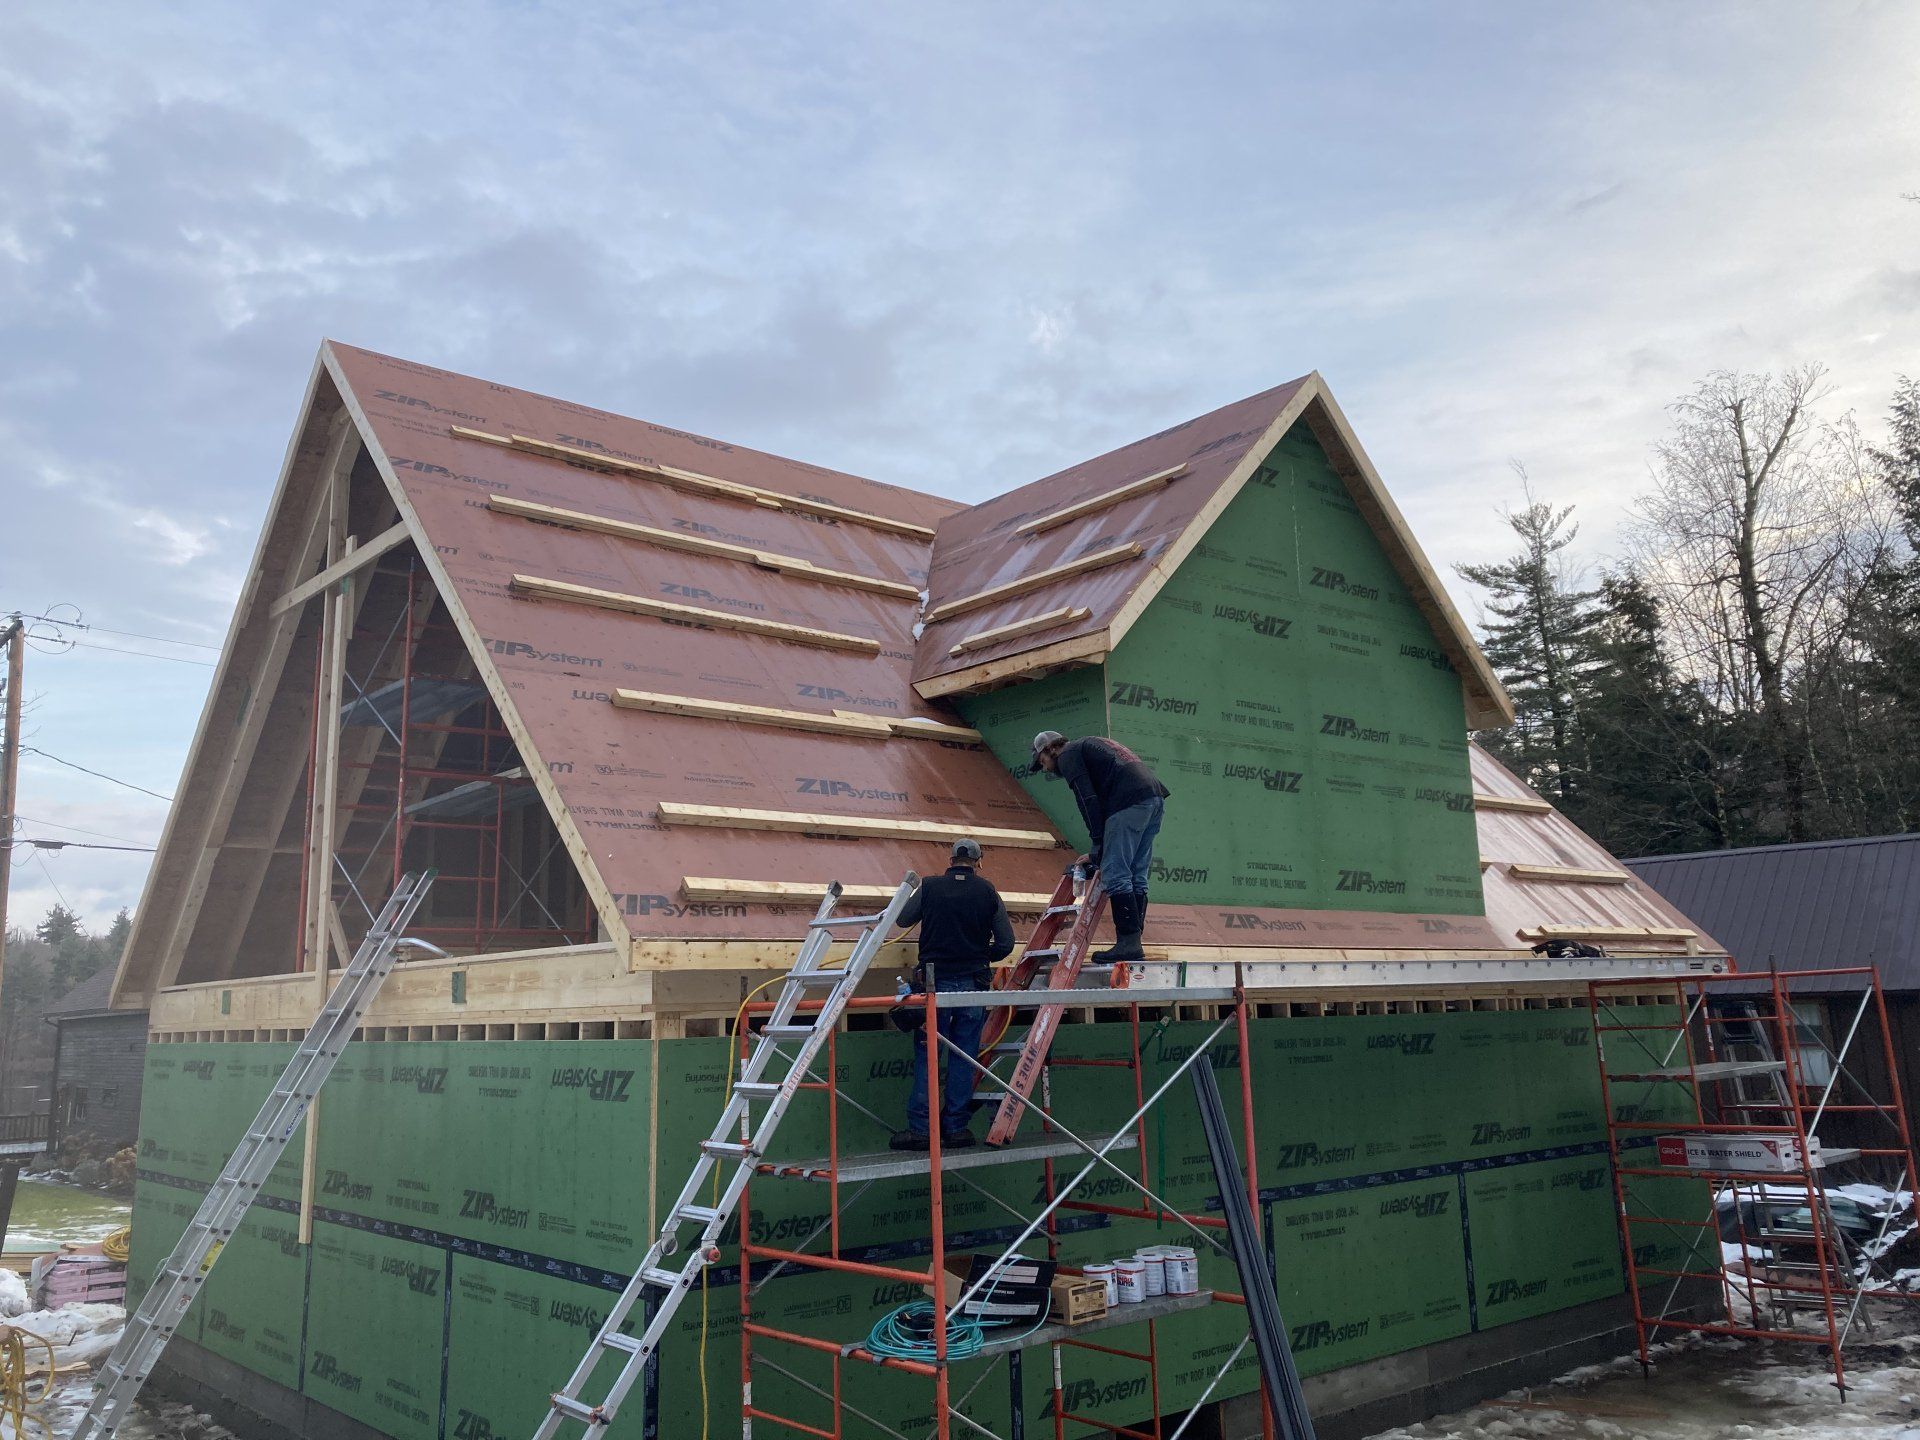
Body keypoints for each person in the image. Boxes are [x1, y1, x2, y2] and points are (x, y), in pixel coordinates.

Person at [890, 838, 1017, 1151]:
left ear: (951, 859)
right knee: (963, 1056)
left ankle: (921, 1130)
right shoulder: (987, 891)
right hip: (973, 985)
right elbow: (1006, 943)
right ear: (978, 861)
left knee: (928, 1056)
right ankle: (956, 1129)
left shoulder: (931, 887)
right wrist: (978, 953)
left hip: (935, 985)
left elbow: (902, 919)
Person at [1030, 731, 1169, 964]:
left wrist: (1097, 846)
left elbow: (1088, 800)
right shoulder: (1088, 744)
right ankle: (1133, 942)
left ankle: (1127, 944)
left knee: (1116, 875)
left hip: (1128, 802)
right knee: (1136, 874)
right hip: (1152, 800)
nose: (1044, 768)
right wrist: (1101, 848)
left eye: (1042, 762)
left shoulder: (1068, 755)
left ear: (1051, 749)